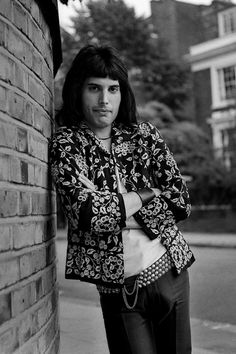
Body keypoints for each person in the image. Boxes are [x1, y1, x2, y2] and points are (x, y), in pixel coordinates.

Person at [50, 44, 195, 354]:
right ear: (78, 90)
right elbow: (86, 214)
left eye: (112, 89)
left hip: (170, 269)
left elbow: (180, 200)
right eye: (95, 88)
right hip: (120, 288)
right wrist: (149, 193)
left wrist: (114, 203)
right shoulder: (68, 143)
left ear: (122, 92)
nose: (104, 100)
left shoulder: (145, 136)